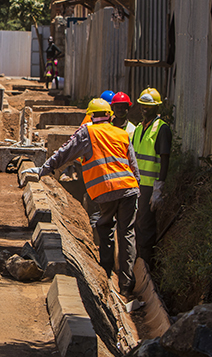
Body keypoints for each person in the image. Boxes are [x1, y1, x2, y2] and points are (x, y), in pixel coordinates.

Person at [23, 98, 140, 298]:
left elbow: (65, 152)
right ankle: (127, 285)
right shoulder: (121, 133)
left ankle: (106, 274)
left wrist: (44, 169)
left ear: (91, 115)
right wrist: (137, 186)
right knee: (127, 233)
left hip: (106, 190)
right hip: (129, 188)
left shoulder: (88, 132)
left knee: (105, 228)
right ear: (110, 115)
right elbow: (133, 165)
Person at [132, 88, 172, 270]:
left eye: (148, 107)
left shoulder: (161, 129)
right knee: (137, 227)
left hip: (149, 187)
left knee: (146, 227)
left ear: (157, 107)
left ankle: (146, 267)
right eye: (142, 106)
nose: (144, 110)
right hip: (136, 185)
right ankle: (138, 265)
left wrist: (159, 188)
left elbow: (164, 159)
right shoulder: (139, 128)